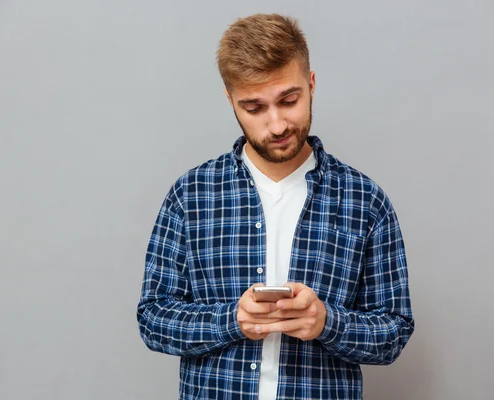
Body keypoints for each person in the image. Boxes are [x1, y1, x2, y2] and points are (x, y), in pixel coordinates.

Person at [137, 13, 414, 400]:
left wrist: (326, 322)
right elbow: (152, 320)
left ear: (311, 84)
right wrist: (231, 320)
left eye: (289, 100)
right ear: (230, 101)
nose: (277, 124)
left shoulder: (365, 200)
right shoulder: (190, 195)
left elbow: (394, 332)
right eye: (254, 108)